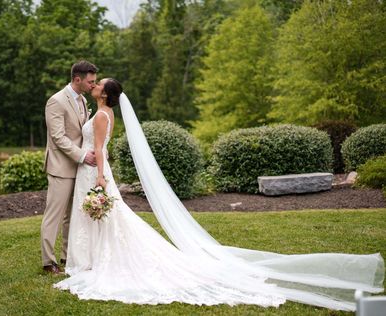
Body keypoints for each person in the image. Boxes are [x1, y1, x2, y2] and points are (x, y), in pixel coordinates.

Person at [54, 78, 384, 311]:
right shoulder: (107, 113)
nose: (94, 85)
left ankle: (93, 262)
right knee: (110, 219)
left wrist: (99, 180)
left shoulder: (100, 116)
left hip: (94, 172)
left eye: (99, 84)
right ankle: (92, 259)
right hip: (94, 172)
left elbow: (99, 150)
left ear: (104, 95)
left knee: (107, 217)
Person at [41, 61, 98, 275]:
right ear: (77, 79)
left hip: (80, 168)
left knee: (71, 215)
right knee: (54, 215)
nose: (93, 85)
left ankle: (67, 256)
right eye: (90, 81)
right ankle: (48, 261)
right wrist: (83, 155)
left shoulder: (83, 100)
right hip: (61, 166)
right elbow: (58, 137)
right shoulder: (55, 101)